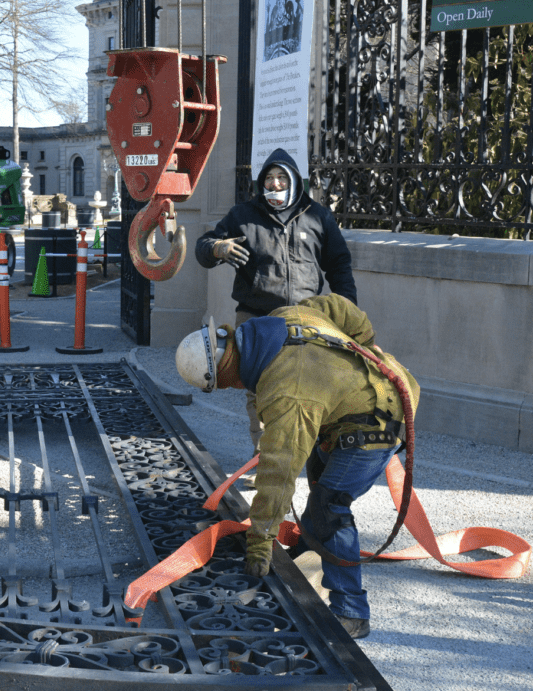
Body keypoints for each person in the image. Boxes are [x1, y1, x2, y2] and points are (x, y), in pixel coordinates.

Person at [174, 294, 419, 638]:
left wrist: (261, 541)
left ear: (225, 370)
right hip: (359, 409)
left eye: (225, 383)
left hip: (377, 424)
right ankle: (309, 551)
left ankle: (352, 611)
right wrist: (361, 356)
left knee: (330, 507)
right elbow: (340, 308)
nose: (235, 387)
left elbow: (278, 472)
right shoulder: (284, 316)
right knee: (321, 478)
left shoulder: (286, 391)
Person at [195, 149, 358, 484]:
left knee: (309, 391)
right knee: (261, 393)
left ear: (295, 181)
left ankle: (308, 458)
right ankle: (266, 462)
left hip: (307, 321)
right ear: (261, 183)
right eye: (269, 178)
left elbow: (339, 266)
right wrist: (217, 248)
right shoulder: (243, 215)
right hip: (256, 319)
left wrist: (348, 312)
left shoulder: (318, 217)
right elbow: (203, 247)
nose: (275, 184)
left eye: (282, 178)